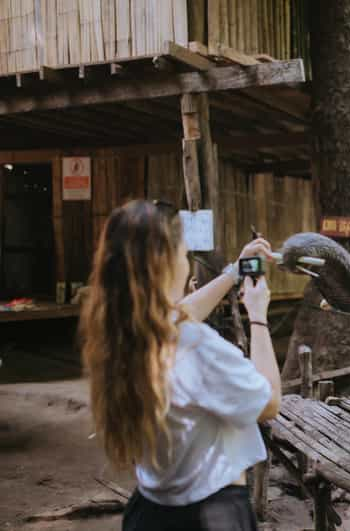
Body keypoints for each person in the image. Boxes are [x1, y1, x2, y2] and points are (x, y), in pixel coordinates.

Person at [79, 199, 281, 531]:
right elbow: (270, 402)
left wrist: (234, 272)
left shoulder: (122, 334)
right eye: (183, 251)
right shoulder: (198, 346)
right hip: (211, 515)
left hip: (149, 511)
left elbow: (178, 313)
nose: (187, 260)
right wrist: (258, 316)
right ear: (168, 263)